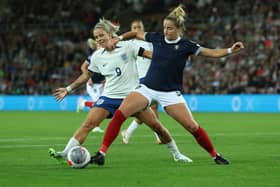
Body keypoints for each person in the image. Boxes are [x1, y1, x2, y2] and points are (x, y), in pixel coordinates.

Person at [90, 5, 244, 165]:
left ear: (179, 29)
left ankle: (215, 155)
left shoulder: (186, 46)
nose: (166, 31)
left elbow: (211, 53)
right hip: (147, 89)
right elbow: (135, 33)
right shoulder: (156, 38)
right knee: (120, 114)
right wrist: (119, 38)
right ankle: (102, 153)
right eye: (164, 27)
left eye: (169, 28)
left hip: (170, 93)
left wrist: (230, 50)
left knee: (192, 126)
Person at [49, 18, 192, 165]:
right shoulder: (97, 56)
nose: (99, 39)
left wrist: (171, 59)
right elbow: (86, 75)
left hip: (133, 98)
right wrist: (68, 89)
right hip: (109, 97)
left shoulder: (127, 46)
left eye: (101, 35)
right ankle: (65, 153)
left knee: (157, 127)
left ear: (110, 34)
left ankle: (177, 154)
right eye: (96, 37)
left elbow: (151, 55)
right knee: (88, 124)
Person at [121, 19, 161, 144]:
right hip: (140, 79)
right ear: (131, 30)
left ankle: (128, 132)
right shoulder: (129, 44)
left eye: (139, 27)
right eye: (134, 27)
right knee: (148, 108)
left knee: (149, 109)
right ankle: (159, 136)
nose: (137, 29)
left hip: (152, 76)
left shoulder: (150, 42)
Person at [77, 38, 105, 133]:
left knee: (100, 105)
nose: (101, 47)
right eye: (99, 45)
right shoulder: (92, 57)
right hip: (92, 84)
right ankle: (96, 126)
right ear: (96, 47)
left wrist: (105, 80)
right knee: (98, 105)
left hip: (100, 84)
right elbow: (83, 67)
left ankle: (84, 103)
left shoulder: (106, 56)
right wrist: (88, 77)